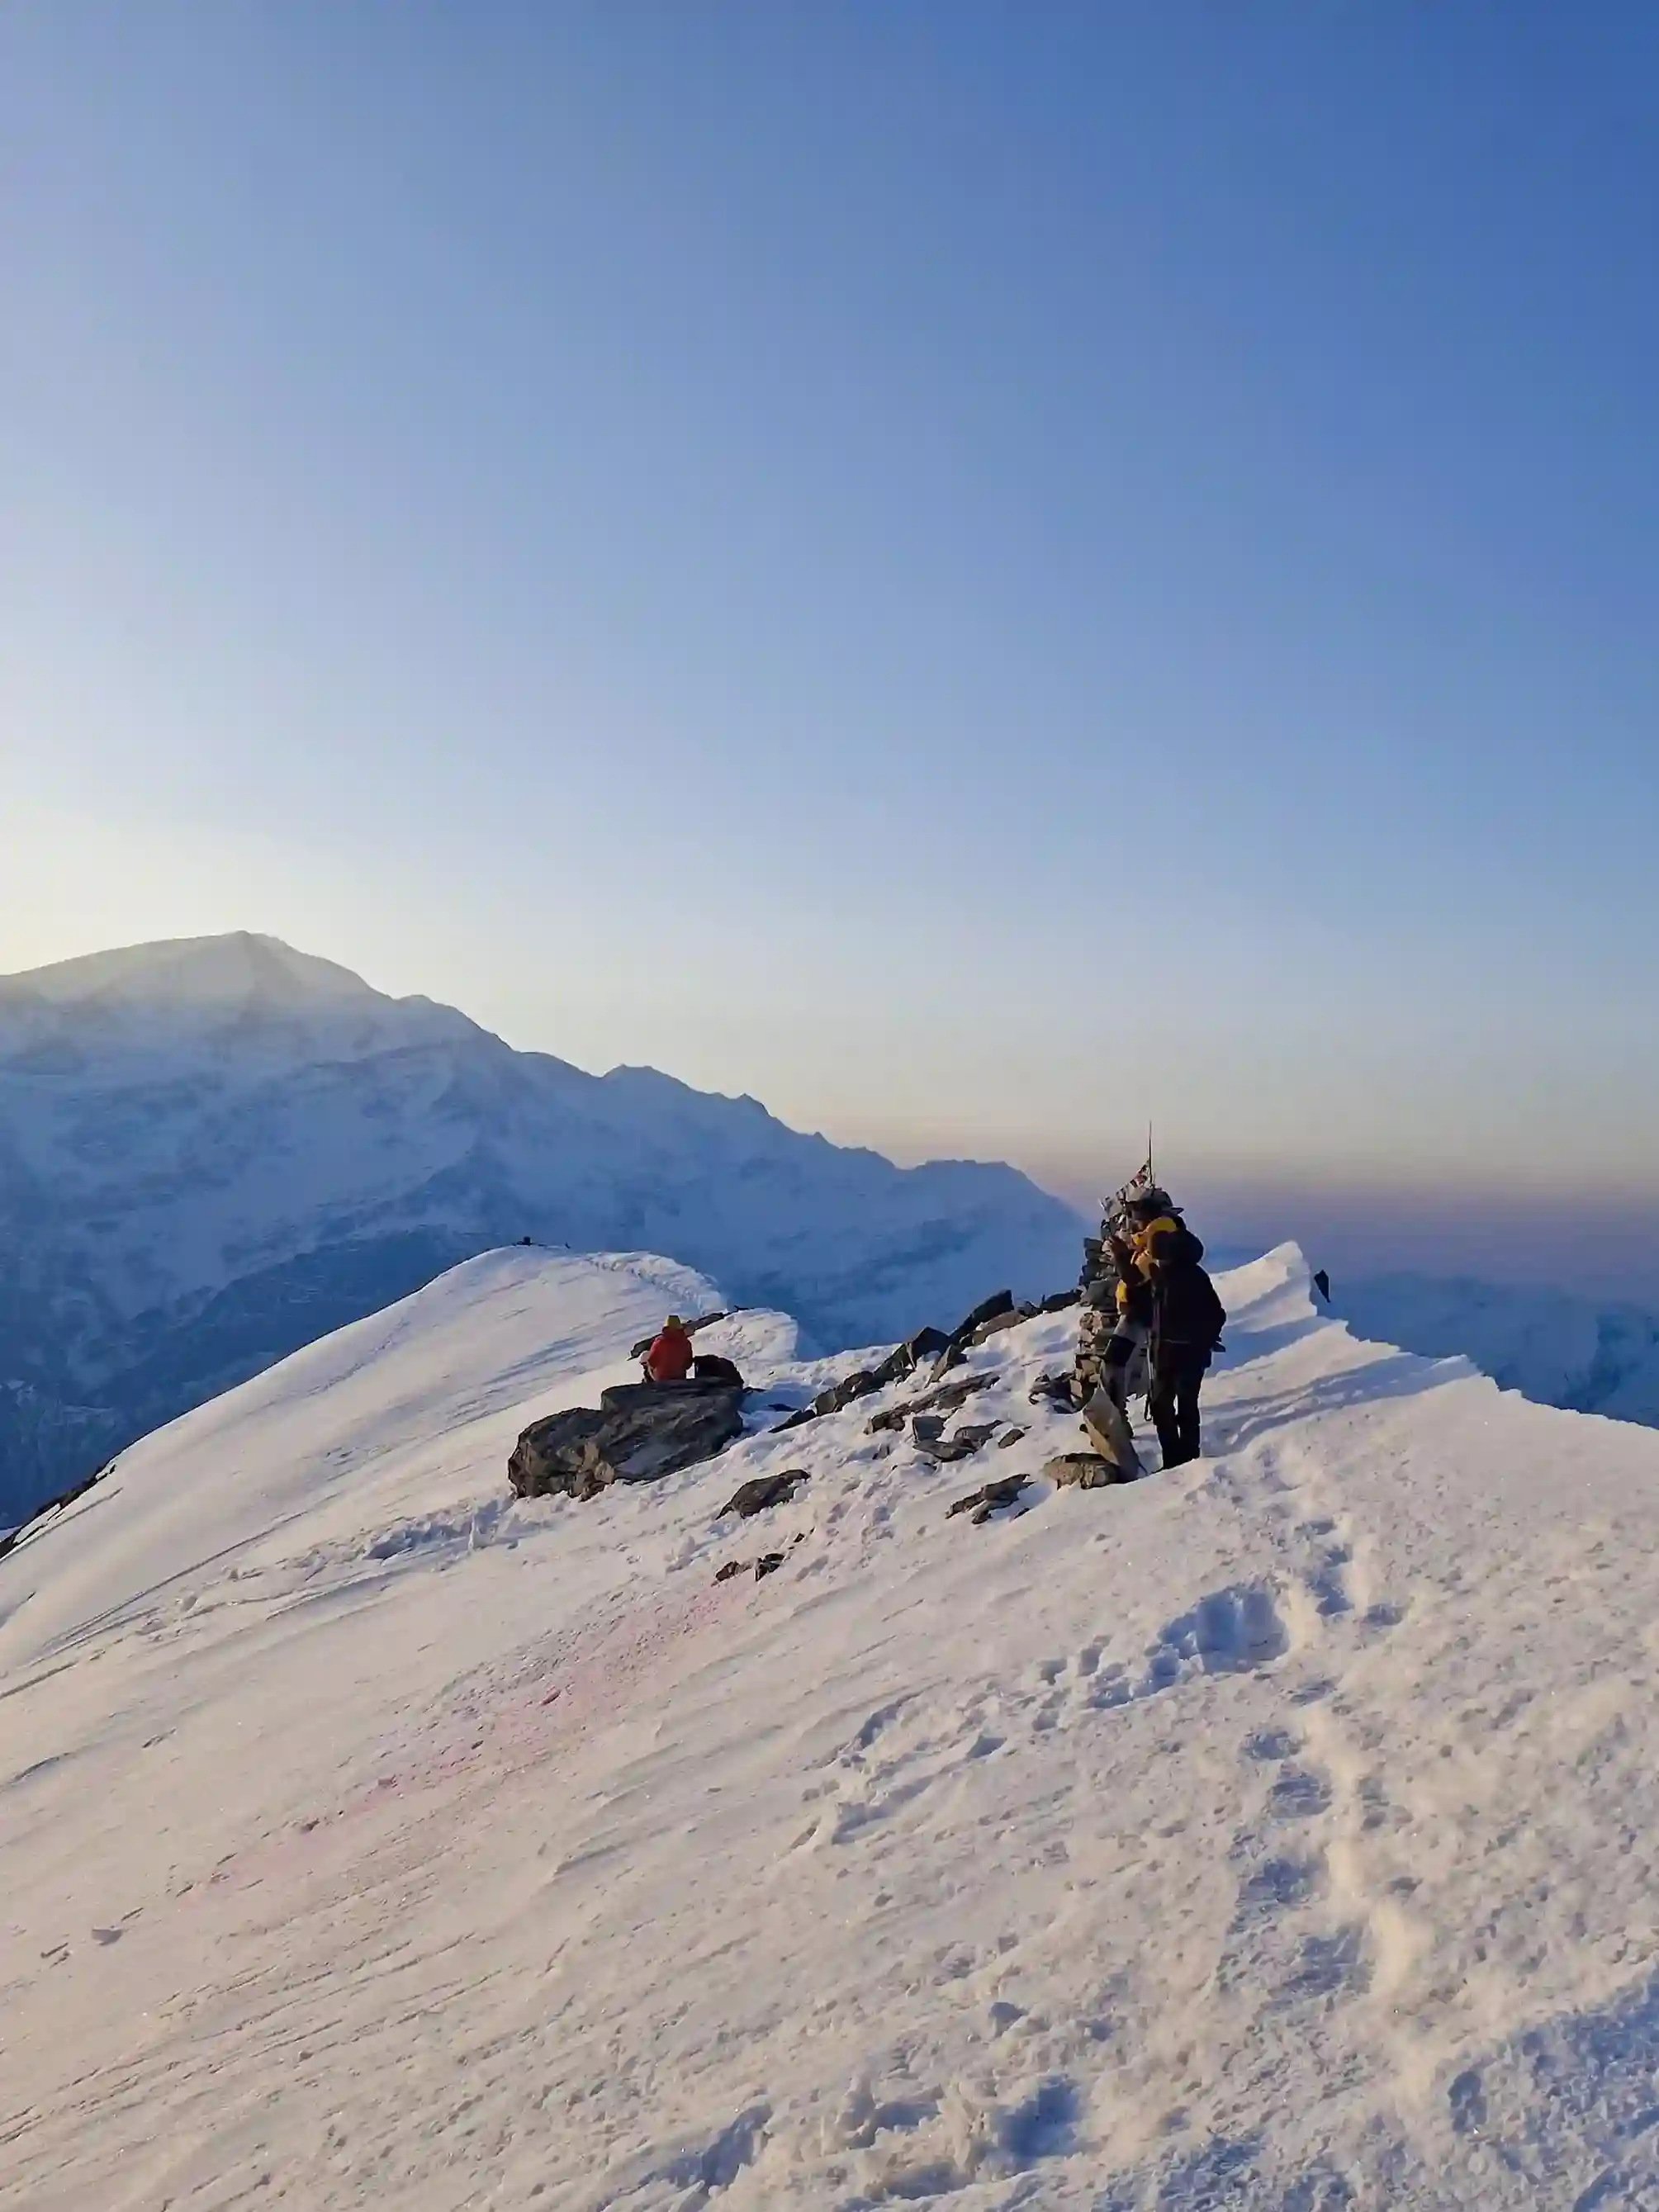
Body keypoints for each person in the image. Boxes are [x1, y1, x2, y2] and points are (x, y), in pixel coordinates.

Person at [1141, 1220, 1226, 1469]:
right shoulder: (1193, 1275)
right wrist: (1205, 1341)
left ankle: (1176, 1458)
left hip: (1171, 1353)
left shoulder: (1168, 1276)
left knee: (1164, 1405)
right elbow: (1217, 1314)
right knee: (1183, 1405)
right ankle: (1186, 1458)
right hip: (1187, 1354)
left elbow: (1214, 1315)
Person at [643, 1315, 694, 1385]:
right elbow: (688, 1364)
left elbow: (652, 1362)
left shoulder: (660, 1342)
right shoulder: (686, 1343)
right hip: (680, 1378)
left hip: (662, 1380)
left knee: (647, 1370)